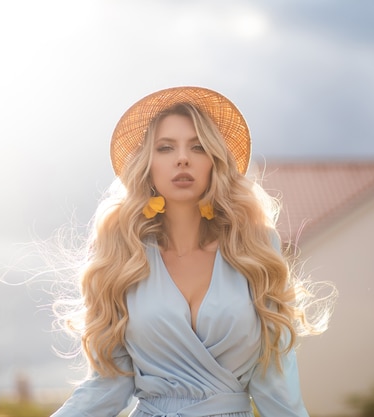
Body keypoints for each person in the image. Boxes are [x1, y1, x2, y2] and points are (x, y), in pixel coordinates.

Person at [50, 86, 332, 417]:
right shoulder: (123, 256)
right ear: (148, 164)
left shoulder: (255, 249)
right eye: (166, 147)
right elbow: (108, 385)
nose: (182, 158)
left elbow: (277, 386)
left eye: (197, 147)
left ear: (215, 161)